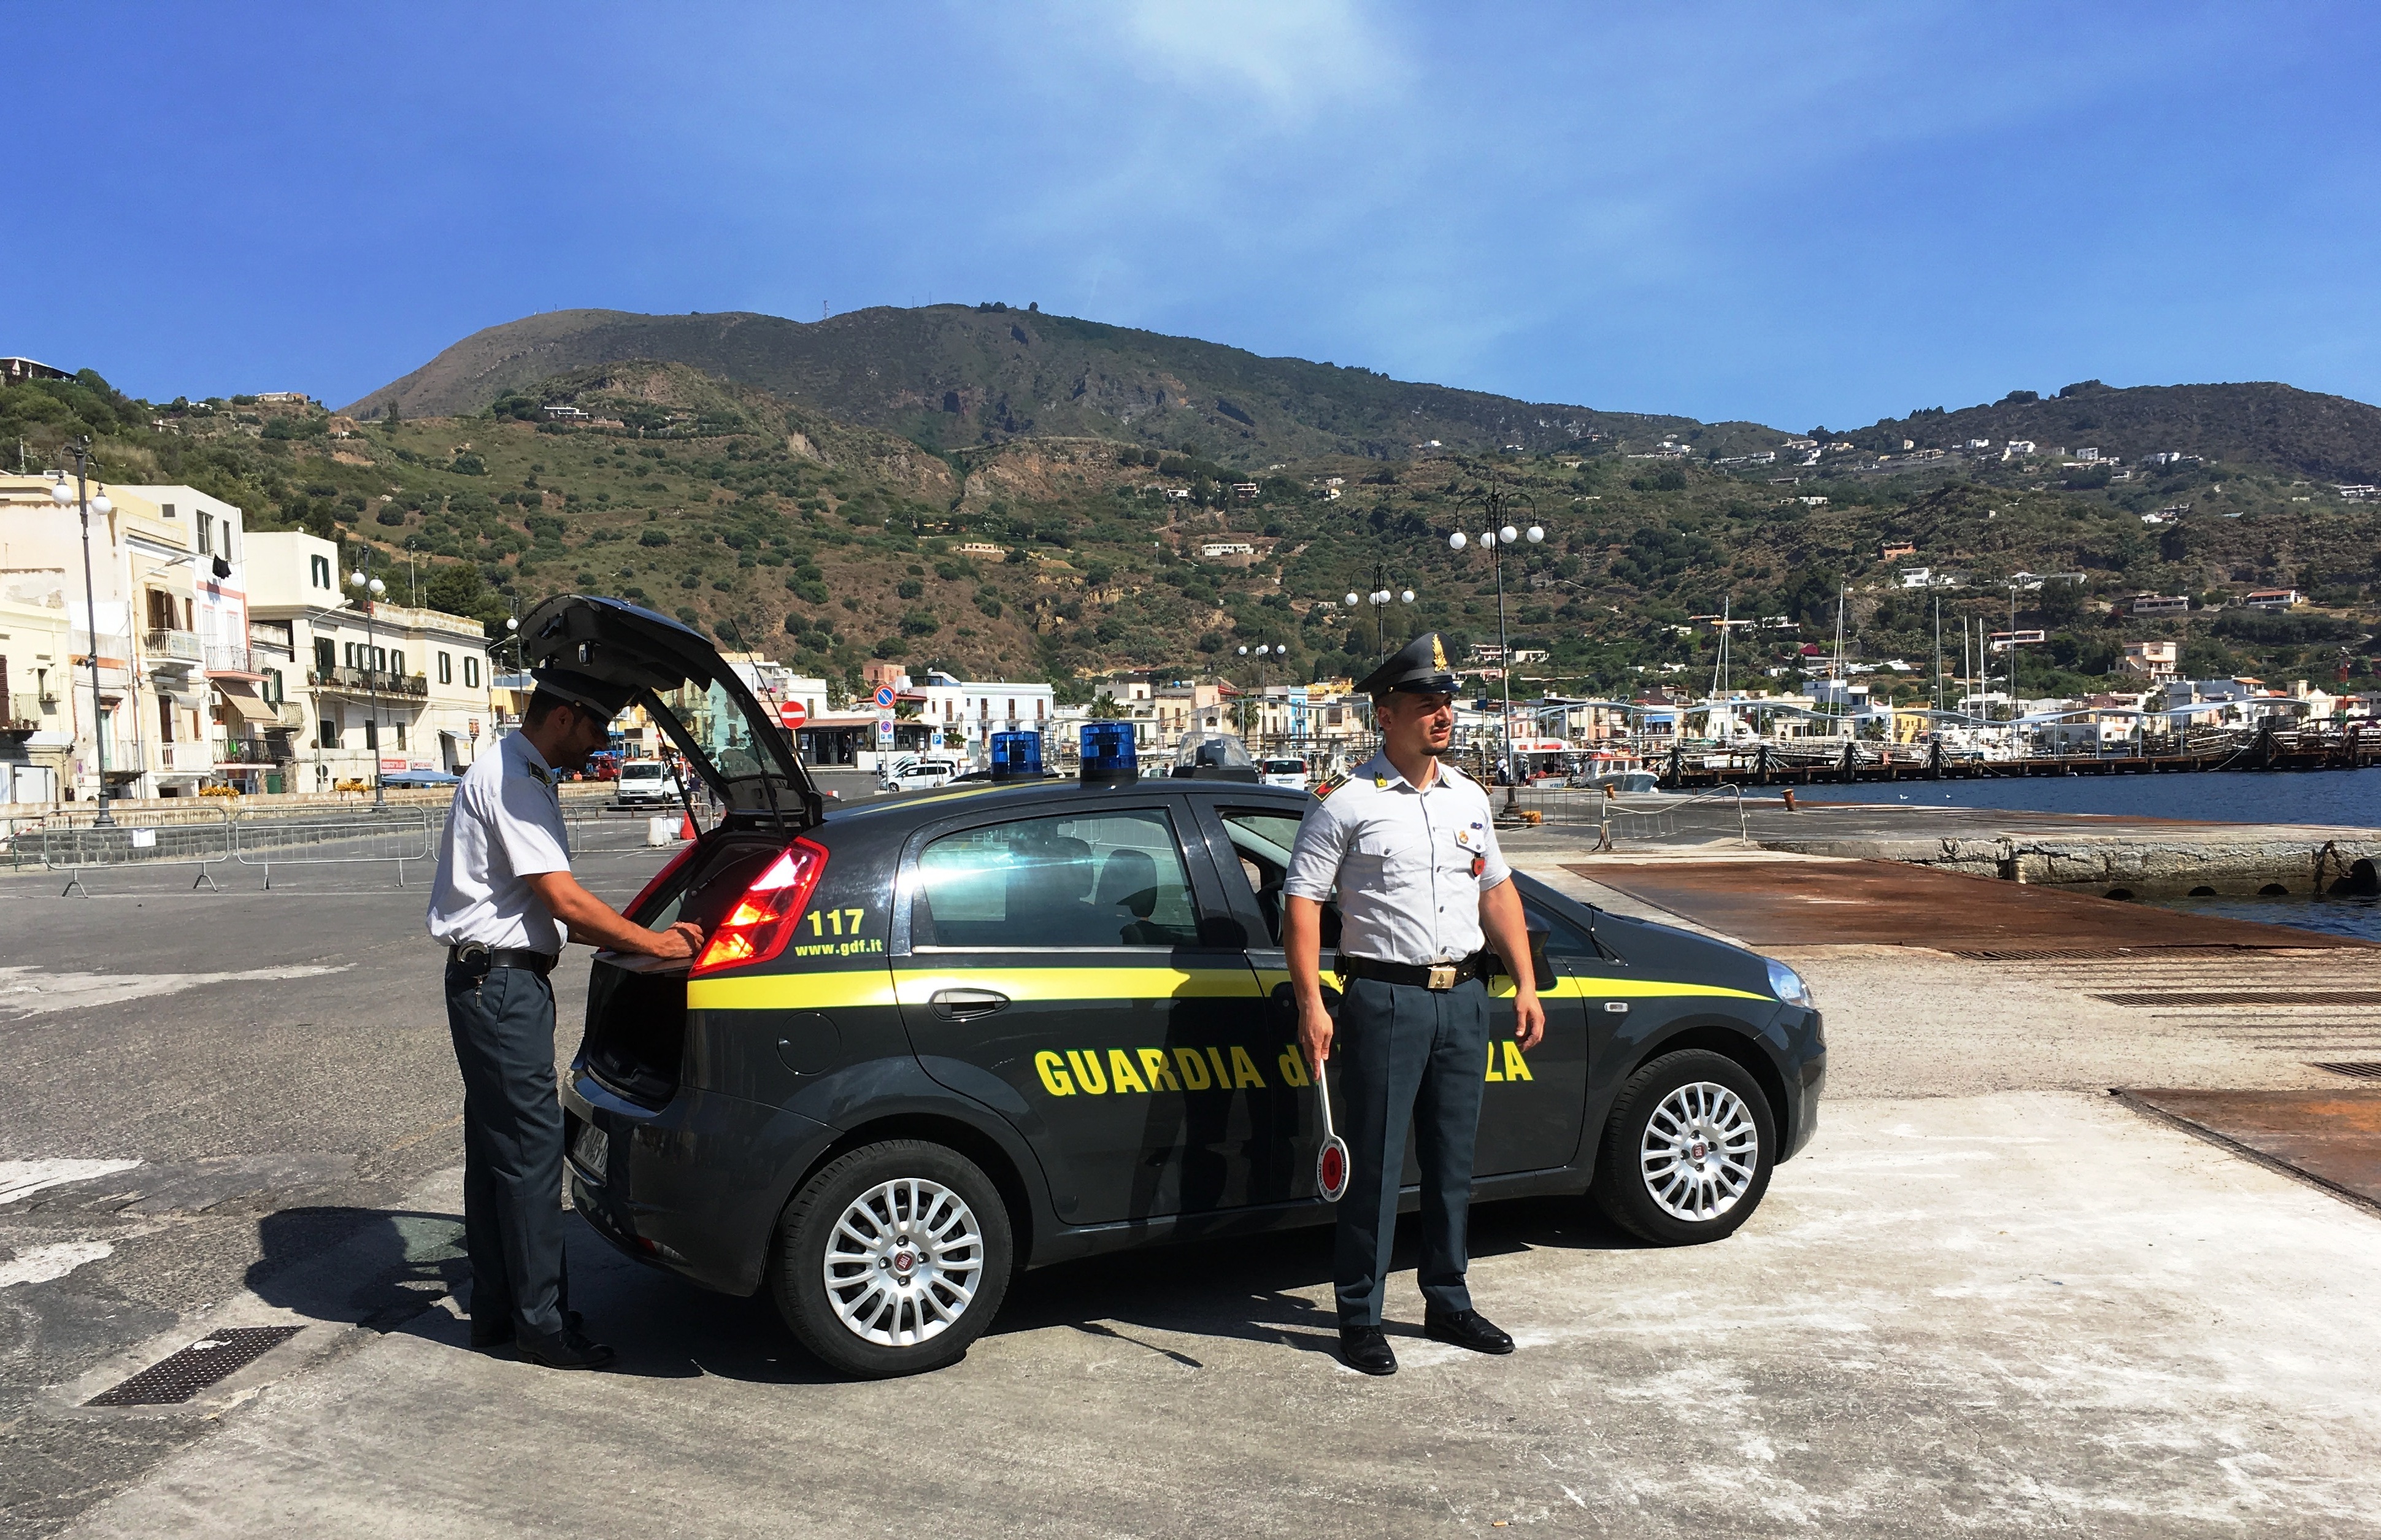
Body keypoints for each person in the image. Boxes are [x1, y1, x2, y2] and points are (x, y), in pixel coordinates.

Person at [1281, 633, 1547, 1376]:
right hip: (1384, 999)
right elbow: (1300, 902)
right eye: (1426, 704)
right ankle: (1358, 1313)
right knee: (1374, 1165)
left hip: (1462, 997)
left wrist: (1522, 981)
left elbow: (1495, 889)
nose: (1442, 715)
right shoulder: (1347, 803)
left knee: (1451, 1160)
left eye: (1446, 704)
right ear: (1384, 713)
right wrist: (1312, 1001)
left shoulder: (1467, 797)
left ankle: (1447, 1298)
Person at [425, 668, 705, 1369]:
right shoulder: (518, 779)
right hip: (502, 989)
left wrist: (626, 936)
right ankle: (543, 1325)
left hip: (489, 982)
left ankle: (499, 1309)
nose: (600, 741)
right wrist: (658, 944)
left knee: (497, 1157)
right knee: (528, 1154)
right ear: (565, 717)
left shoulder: (511, 768)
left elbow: (560, 913)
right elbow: (565, 902)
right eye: (596, 726)